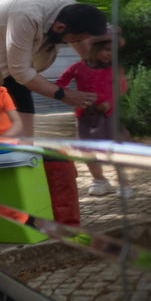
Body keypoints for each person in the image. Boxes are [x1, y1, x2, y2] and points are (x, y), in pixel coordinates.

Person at [0, 0, 107, 137]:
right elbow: (21, 71)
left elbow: (82, 43)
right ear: (60, 28)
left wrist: (94, 69)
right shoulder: (27, 15)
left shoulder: (71, 10)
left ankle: (24, 151)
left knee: (24, 132)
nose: (74, 43)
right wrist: (65, 95)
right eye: (74, 40)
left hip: (16, 68)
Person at [56, 29, 128, 196]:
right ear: (95, 48)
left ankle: (124, 183)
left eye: (114, 52)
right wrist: (70, 96)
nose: (110, 55)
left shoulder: (114, 69)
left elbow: (121, 88)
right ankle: (99, 180)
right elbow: (60, 84)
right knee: (86, 149)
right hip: (84, 116)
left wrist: (108, 103)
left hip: (108, 116)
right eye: (107, 50)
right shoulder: (77, 68)